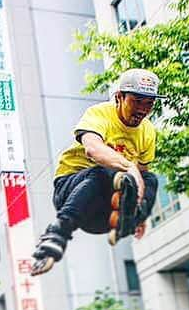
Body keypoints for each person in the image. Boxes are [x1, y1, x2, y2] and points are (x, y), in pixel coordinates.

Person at [31, 69, 163, 275]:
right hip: (72, 193)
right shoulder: (100, 114)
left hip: (104, 216)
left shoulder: (147, 131)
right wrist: (128, 167)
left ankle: (125, 222)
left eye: (149, 103)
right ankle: (56, 234)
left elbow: (143, 174)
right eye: (137, 101)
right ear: (119, 97)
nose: (143, 110)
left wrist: (140, 214)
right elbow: (93, 149)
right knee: (104, 172)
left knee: (150, 179)